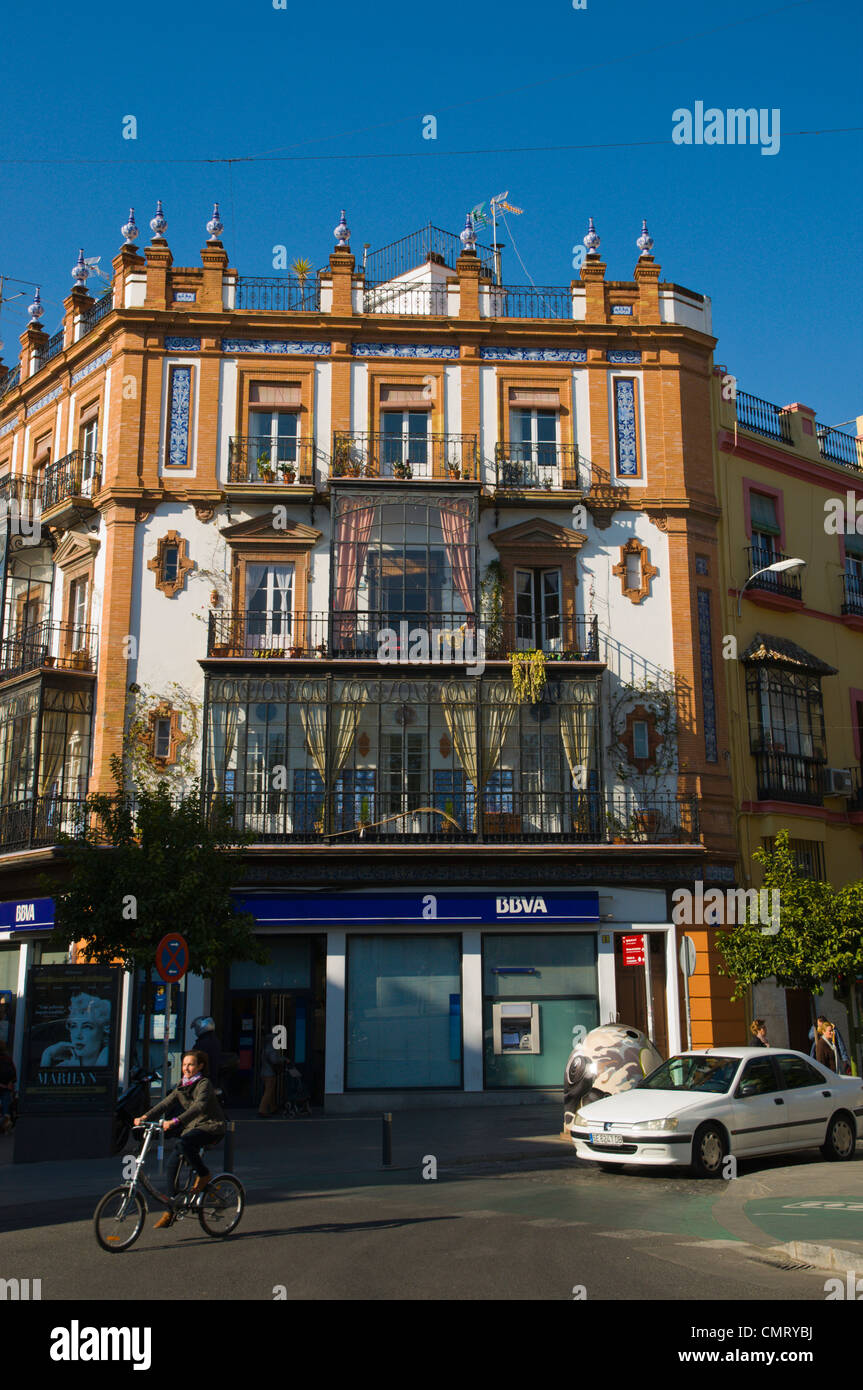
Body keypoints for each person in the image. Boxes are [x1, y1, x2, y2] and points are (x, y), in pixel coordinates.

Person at [134, 1049, 226, 1229]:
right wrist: (145, 1117)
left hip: (211, 1126)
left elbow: (199, 1107)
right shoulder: (182, 1085)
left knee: (183, 1143)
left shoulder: (203, 1084)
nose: (187, 1068)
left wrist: (176, 1121)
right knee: (171, 1163)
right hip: (193, 1129)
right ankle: (171, 1208)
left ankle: (204, 1174)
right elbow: (166, 1103)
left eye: (191, 1064)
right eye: (184, 1065)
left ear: (200, 1066)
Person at [40, 992, 111, 1067]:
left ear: (103, 1032)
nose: (78, 1035)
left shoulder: (113, 1060)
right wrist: (47, 1054)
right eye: (74, 1026)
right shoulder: (63, 1067)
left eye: (87, 1027)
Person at [259, 1025, 286, 1117]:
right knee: (269, 1091)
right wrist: (283, 1060)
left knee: (270, 1091)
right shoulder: (272, 1049)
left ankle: (273, 1107)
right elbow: (274, 1060)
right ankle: (262, 1110)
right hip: (270, 1073)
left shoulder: (265, 1048)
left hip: (263, 1072)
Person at [190, 1017, 221, 1082]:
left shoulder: (203, 1043)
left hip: (205, 1079)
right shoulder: (213, 1040)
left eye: (196, 1028)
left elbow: (196, 1059)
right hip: (212, 1078)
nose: (195, 1030)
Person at [0, 1042, 16, 1135]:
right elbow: (13, 1073)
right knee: (6, 1108)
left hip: (4, 1086)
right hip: (7, 1086)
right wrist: (10, 1083)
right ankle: (6, 1125)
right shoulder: (8, 1059)